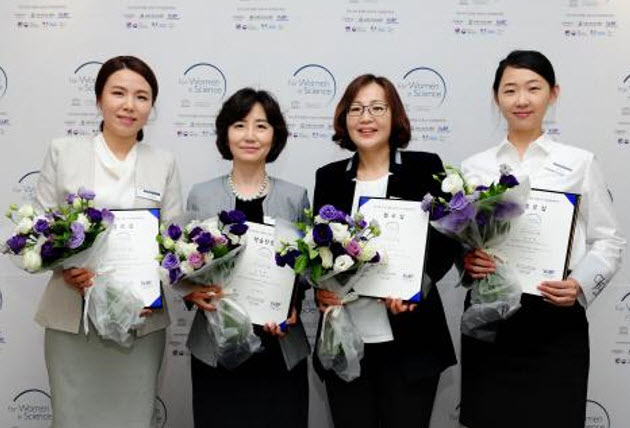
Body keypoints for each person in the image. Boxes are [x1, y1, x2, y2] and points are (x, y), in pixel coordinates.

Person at [459, 50, 626, 428]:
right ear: (495, 97)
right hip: (491, 320)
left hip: (555, 318)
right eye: (510, 90)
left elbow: (608, 240)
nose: (521, 100)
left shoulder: (579, 162)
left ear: (553, 93)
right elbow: (465, 244)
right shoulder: (474, 167)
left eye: (533, 88)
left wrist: (578, 285)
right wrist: (469, 263)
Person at [35, 56, 183, 428]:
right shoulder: (62, 153)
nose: (129, 105)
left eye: (142, 97)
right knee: (72, 416)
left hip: (140, 321)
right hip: (73, 317)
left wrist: (153, 287)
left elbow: (175, 243)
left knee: (133, 417)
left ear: (151, 107)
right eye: (119, 93)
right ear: (99, 98)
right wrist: (67, 266)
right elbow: (38, 232)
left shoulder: (163, 162)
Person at [313, 74, 459, 428]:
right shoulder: (329, 177)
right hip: (347, 339)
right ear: (344, 119)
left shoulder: (425, 167)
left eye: (378, 108)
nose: (366, 118)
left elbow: (449, 236)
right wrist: (320, 288)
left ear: (395, 117)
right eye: (357, 109)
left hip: (410, 339)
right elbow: (318, 252)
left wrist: (416, 288)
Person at [185, 88, 310, 428]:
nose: (250, 136)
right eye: (240, 125)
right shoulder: (202, 194)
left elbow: (306, 270)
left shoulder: (295, 196)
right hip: (215, 344)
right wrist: (191, 292)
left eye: (262, 126)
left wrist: (292, 305)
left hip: (279, 344)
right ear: (226, 133)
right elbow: (184, 263)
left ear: (275, 135)